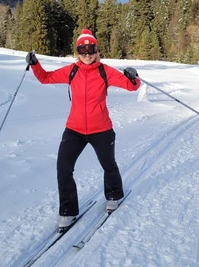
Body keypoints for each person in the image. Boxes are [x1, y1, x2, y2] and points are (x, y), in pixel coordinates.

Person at [26, 29, 141, 230]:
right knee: (63, 167)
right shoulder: (72, 71)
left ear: (97, 51)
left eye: (91, 49)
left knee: (109, 165)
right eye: (82, 50)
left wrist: (134, 77)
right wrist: (35, 64)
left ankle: (114, 195)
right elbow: (45, 78)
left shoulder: (105, 71)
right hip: (74, 129)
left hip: (101, 129)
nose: (87, 54)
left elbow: (132, 87)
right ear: (77, 52)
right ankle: (68, 211)